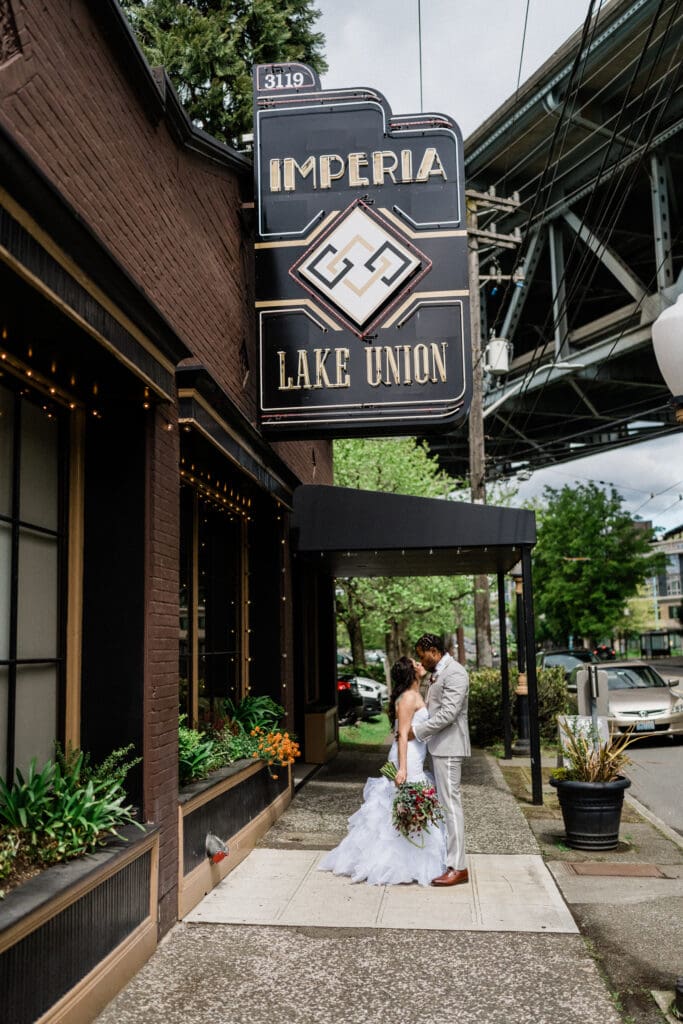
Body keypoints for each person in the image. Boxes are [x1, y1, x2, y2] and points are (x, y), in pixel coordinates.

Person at [318, 656, 446, 886]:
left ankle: (411, 860)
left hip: (414, 755)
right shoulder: (407, 698)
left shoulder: (415, 694)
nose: (420, 664)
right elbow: (403, 736)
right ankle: (391, 863)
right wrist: (403, 769)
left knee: (402, 806)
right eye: (415, 663)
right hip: (406, 758)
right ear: (410, 673)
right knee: (398, 805)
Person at [410, 632, 470, 887]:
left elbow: (448, 714)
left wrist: (418, 732)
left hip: (449, 747)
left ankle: (459, 867)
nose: (420, 660)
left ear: (433, 651)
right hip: (440, 746)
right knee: (446, 805)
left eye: (422, 654)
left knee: (451, 805)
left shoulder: (455, 673)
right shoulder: (439, 672)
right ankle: (450, 860)